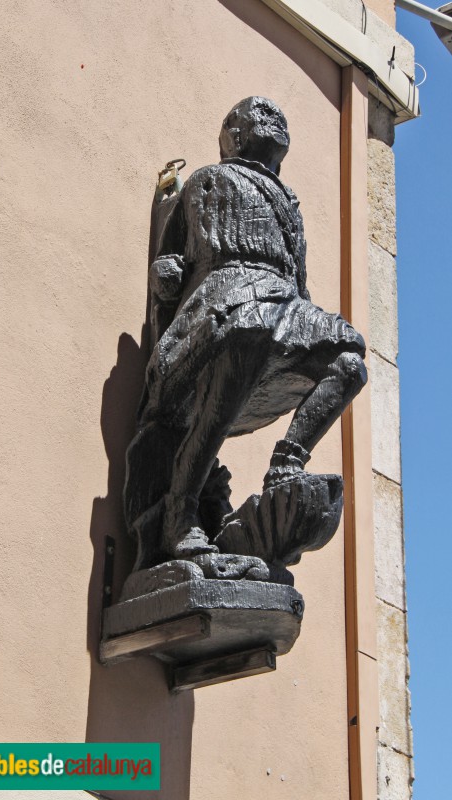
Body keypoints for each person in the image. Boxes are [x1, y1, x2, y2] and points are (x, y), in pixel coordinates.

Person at [124, 96, 367, 570]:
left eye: (277, 113)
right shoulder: (205, 180)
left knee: (349, 358)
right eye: (253, 113)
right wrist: (166, 279)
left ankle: (286, 465)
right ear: (231, 135)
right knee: (249, 330)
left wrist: (304, 323)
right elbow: (169, 265)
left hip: (283, 302)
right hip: (225, 295)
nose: (271, 114)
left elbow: (299, 280)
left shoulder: (289, 203)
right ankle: (181, 511)